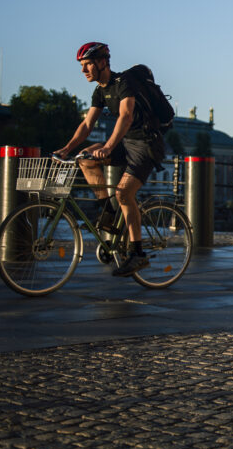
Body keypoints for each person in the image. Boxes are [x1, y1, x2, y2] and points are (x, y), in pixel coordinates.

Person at [56, 42, 166, 277]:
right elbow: (87, 125)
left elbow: (125, 117)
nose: (84, 70)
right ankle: (108, 213)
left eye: (87, 65)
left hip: (146, 144)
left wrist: (107, 146)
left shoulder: (124, 83)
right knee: (85, 159)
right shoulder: (100, 91)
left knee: (124, 194)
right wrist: (67, 149)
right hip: (126, 143)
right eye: (82, 66)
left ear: (102, 62)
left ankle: (138, 254)